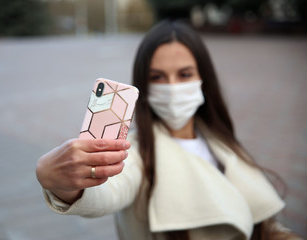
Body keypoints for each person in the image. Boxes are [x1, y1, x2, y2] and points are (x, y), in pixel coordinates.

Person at [36, 20, 300, 240]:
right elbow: (109, 191)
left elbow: (264, 224)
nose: (172, 87)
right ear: (144, 87)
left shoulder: (221, 141)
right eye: (157, 77)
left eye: (184, 74)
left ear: (203, 80)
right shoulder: (136, 154)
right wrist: (65, 186)